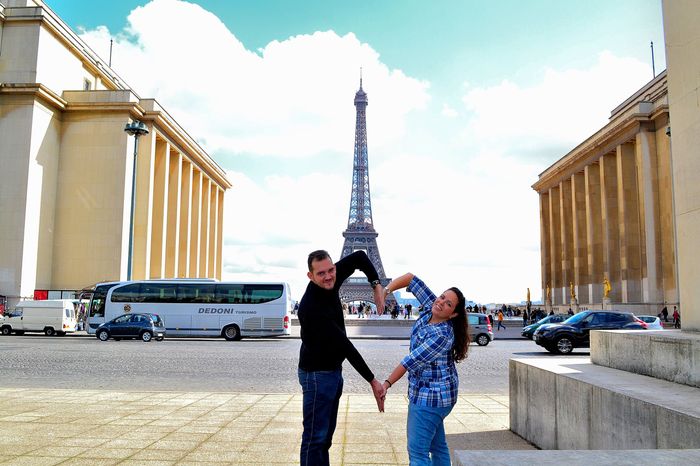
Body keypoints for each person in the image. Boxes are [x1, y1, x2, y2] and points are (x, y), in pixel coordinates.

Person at [297, 250, 386, 466]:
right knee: (315, 439)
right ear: (310, 276)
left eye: (331, 270)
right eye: (321, 273)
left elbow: (360, 257)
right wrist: (372, 380)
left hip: (333, 371)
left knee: (324, 439)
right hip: (317, 375)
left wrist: (376, 286)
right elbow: (345, 345)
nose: (329, 276)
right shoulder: (312, 308)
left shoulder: (331, 279)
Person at [380, 273, 469, 466]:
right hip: (439, 395)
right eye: (443, 297)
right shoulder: (432, 307)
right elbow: (411, 279)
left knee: (418, 453)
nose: (441, 302)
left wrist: (386, 384)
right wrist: (385, 291)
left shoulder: (442, 335)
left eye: (448, 304)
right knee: (437, 447)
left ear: (453, 314)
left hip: (431, 397)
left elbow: (409, 361)